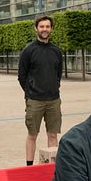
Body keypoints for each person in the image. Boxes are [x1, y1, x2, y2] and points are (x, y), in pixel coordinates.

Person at [18, 14, 63, 165]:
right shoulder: (28, 51)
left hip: (54, 101)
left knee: (53, 135)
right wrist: (31, 92)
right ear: (36, 28)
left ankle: (53, 167)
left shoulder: (57, 51)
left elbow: (58, 75)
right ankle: (29, 167)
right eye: (42, 26)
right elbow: (21, 76)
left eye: (47, 26)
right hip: (35, 101)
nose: (45, 29)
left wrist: (53, 87)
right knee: (32, 134)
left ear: (51, 29)